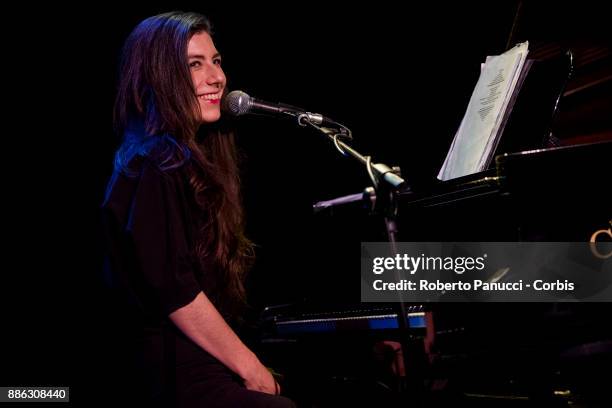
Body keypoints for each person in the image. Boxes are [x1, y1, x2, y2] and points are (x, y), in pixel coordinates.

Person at [102, 11, 296, 407]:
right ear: (159, 75)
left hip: (202, 361)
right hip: (170, 373)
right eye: (195, 64)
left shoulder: (194, 160)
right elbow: (174, 289)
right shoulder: (154, 163)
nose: (217, 77)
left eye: (216, 61)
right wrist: (249, 365)